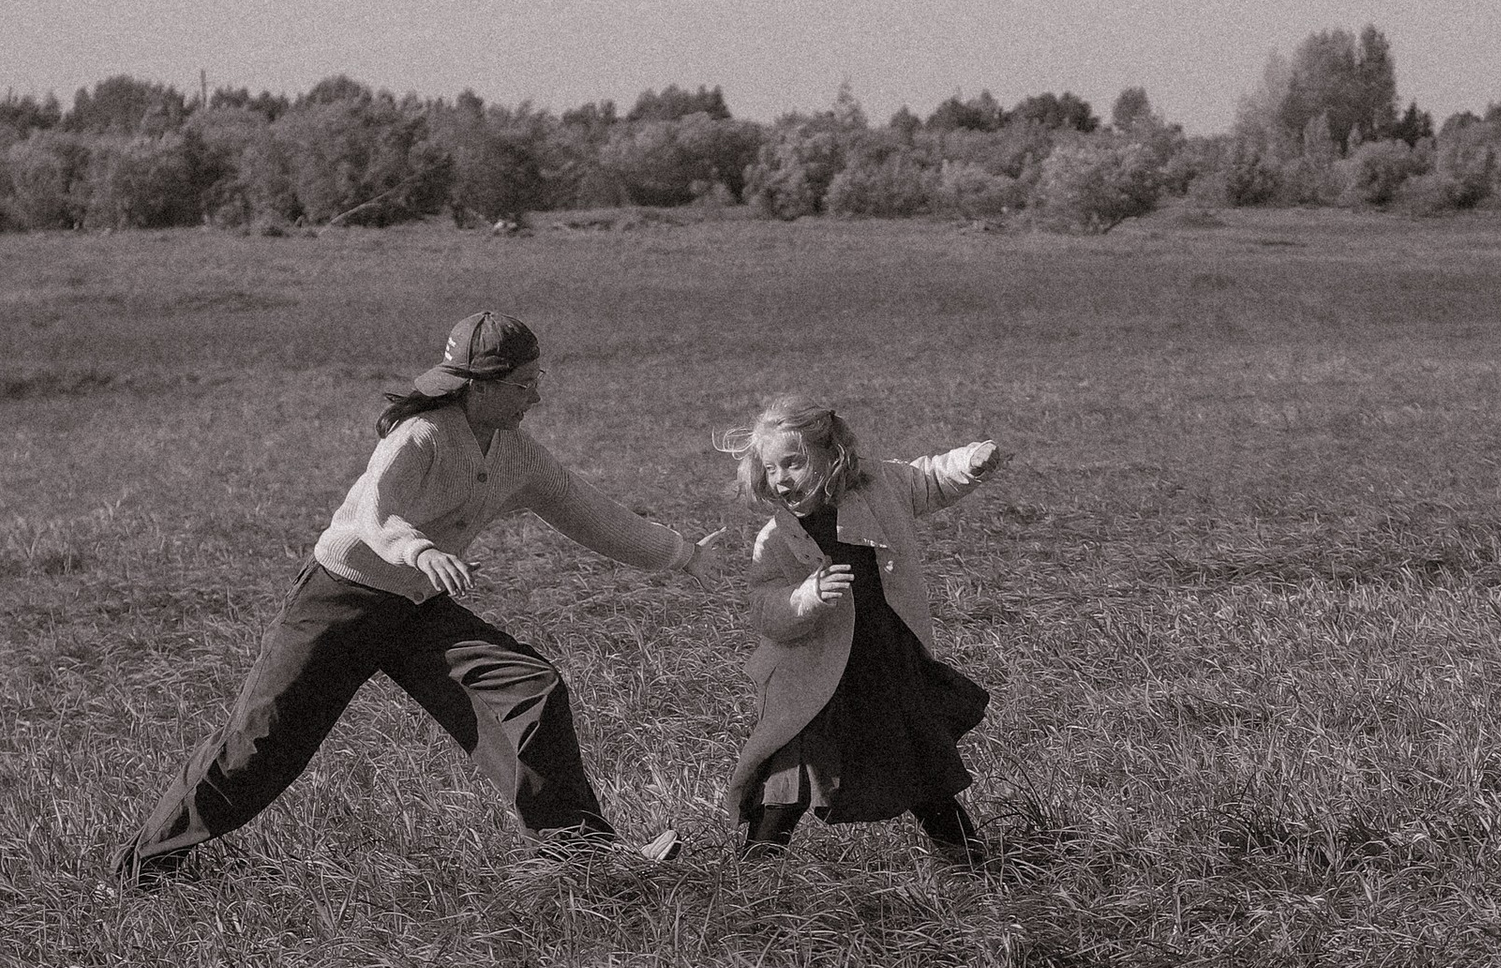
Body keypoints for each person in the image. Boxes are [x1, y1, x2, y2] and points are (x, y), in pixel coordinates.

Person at [117, 312, 705, 882]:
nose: (536, 399)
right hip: (339, 602)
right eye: (523, 385)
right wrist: (418, 550)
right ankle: (142, 867)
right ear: (476, 386)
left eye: (537, 381)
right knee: (260, 747)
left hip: (416, 610)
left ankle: (586, 855)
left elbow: (588, 512)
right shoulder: (421, 434)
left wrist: (679, 553)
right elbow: (378, 508)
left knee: (529, 687)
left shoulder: (516, 451)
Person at [726, 395, 1004, 868]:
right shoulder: (776, 538)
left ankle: (971, 863)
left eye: (792, 463)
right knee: (788, 774)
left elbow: (930, 477)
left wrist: (972, 460)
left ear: (829, 453)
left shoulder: (880, 487)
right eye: (771, 469)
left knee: (920, 766)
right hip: (814, 680)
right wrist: (806, 597)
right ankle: (751, 874)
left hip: (886, 663)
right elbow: (764, 608)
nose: (781, 479)